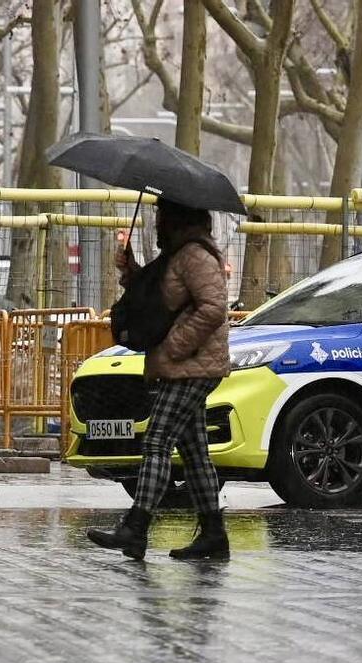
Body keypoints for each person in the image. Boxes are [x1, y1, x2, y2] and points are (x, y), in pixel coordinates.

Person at [87, 199, 231, 561]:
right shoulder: (178, 255)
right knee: (195, 453)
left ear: (177, 218)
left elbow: (213, 308)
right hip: (185, 364)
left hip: (193, 365)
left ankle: (135, 529)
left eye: (161, 215)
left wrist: (175, 346)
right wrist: (131, 269)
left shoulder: (196, 256)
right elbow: (158, 297)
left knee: (156, 441)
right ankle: (214, 534)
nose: (156, 222)